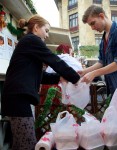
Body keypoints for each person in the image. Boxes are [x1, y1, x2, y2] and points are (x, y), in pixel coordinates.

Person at [1, 15, 80, 150]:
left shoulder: (28, 42)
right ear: (36, 28)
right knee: (27, 143)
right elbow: (54, 60)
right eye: (46, 30)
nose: (47, 35)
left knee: (20, 143)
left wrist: (59, 77)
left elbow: (41, 75)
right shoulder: (32, 40)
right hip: (18, 98)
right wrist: (75, 78)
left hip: (16, 97)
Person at [79, 5, 117, 96]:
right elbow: (101, 62)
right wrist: (84, 71)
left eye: (93, 23)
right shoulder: (104, 37)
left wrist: (93, 73)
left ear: (101, 16)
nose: (92, 28)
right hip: (112, 87)